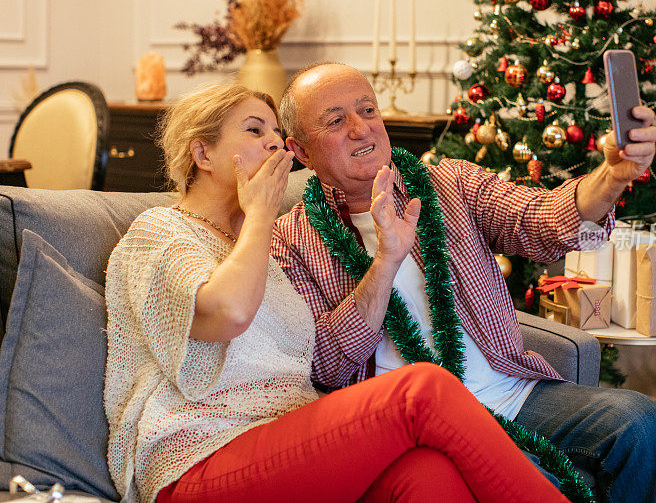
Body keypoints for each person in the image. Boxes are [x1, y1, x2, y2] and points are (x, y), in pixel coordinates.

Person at [103, 83, 568, 503]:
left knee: (426, 473)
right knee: (421, 389)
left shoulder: (266, 249)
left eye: (275, 132)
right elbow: (228, 311)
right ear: (203, 155)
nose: (272, 142)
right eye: (253, 130)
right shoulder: (160, 232)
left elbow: (322, 361)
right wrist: (260, 214)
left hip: (285, 443)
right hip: (198, 461)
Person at [271, 62, 656, 502]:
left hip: (512, 391)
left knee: (637, 419)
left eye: (367, 110)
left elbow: (540, 220)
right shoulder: (288, 242)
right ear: (301, 151)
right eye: (335, 120)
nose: (360, 129)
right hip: (416, 425)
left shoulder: (450, 184)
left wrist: (610, 176)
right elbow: (326, 364)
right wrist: (386, 260)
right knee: (538, 480)